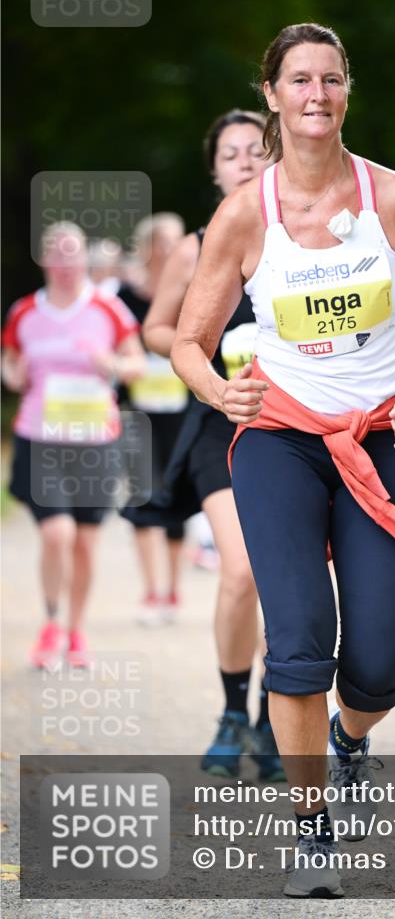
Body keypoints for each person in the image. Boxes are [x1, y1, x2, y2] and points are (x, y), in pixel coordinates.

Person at [171, 23, 395, 898]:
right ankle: (312, 829)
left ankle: (351, 737)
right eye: (299, 80)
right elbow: (189, 339)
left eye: (330, 79)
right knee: (296, 648)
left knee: (375, 665)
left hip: (380, 438)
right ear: (272, 95)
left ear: (345, 92)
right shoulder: (242, 216)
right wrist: (222, 395)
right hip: (280, 444)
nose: (315, 95)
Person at [142, 108, 285, 781]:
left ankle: (271, 720)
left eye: (257, 150)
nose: (246, 161)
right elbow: (155, 330)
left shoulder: (302, 237)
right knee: (241, 570)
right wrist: (203, 353)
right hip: (221, 424)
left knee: (290, 579)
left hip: (296, 425)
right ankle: (232, 711)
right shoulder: (196, 246)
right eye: (231, 153)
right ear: (214, 169)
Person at [1, 222, 144, 668]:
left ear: (85, 258)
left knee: (85, 542)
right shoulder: (25, 311)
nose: (65, 264)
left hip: (95, 441)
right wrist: (14, 376)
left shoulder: (108, 308)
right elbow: (9, 364)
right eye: (56, 254)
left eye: (73, 254)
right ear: (44, 260)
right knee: (57, 533)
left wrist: (112, 364)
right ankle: (49, 624)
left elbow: (137, 364)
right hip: (40, 438)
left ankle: (76, 631)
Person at [117, 213, 188, 625]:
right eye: (163, 242)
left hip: (179, 409)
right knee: (142, 492)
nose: (171, 250)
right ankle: (150, 591)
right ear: (146, 247)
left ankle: (174, 590)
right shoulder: (123, 295)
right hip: (137, 410)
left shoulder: (190, 293)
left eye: (177, 242)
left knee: (175, 492)